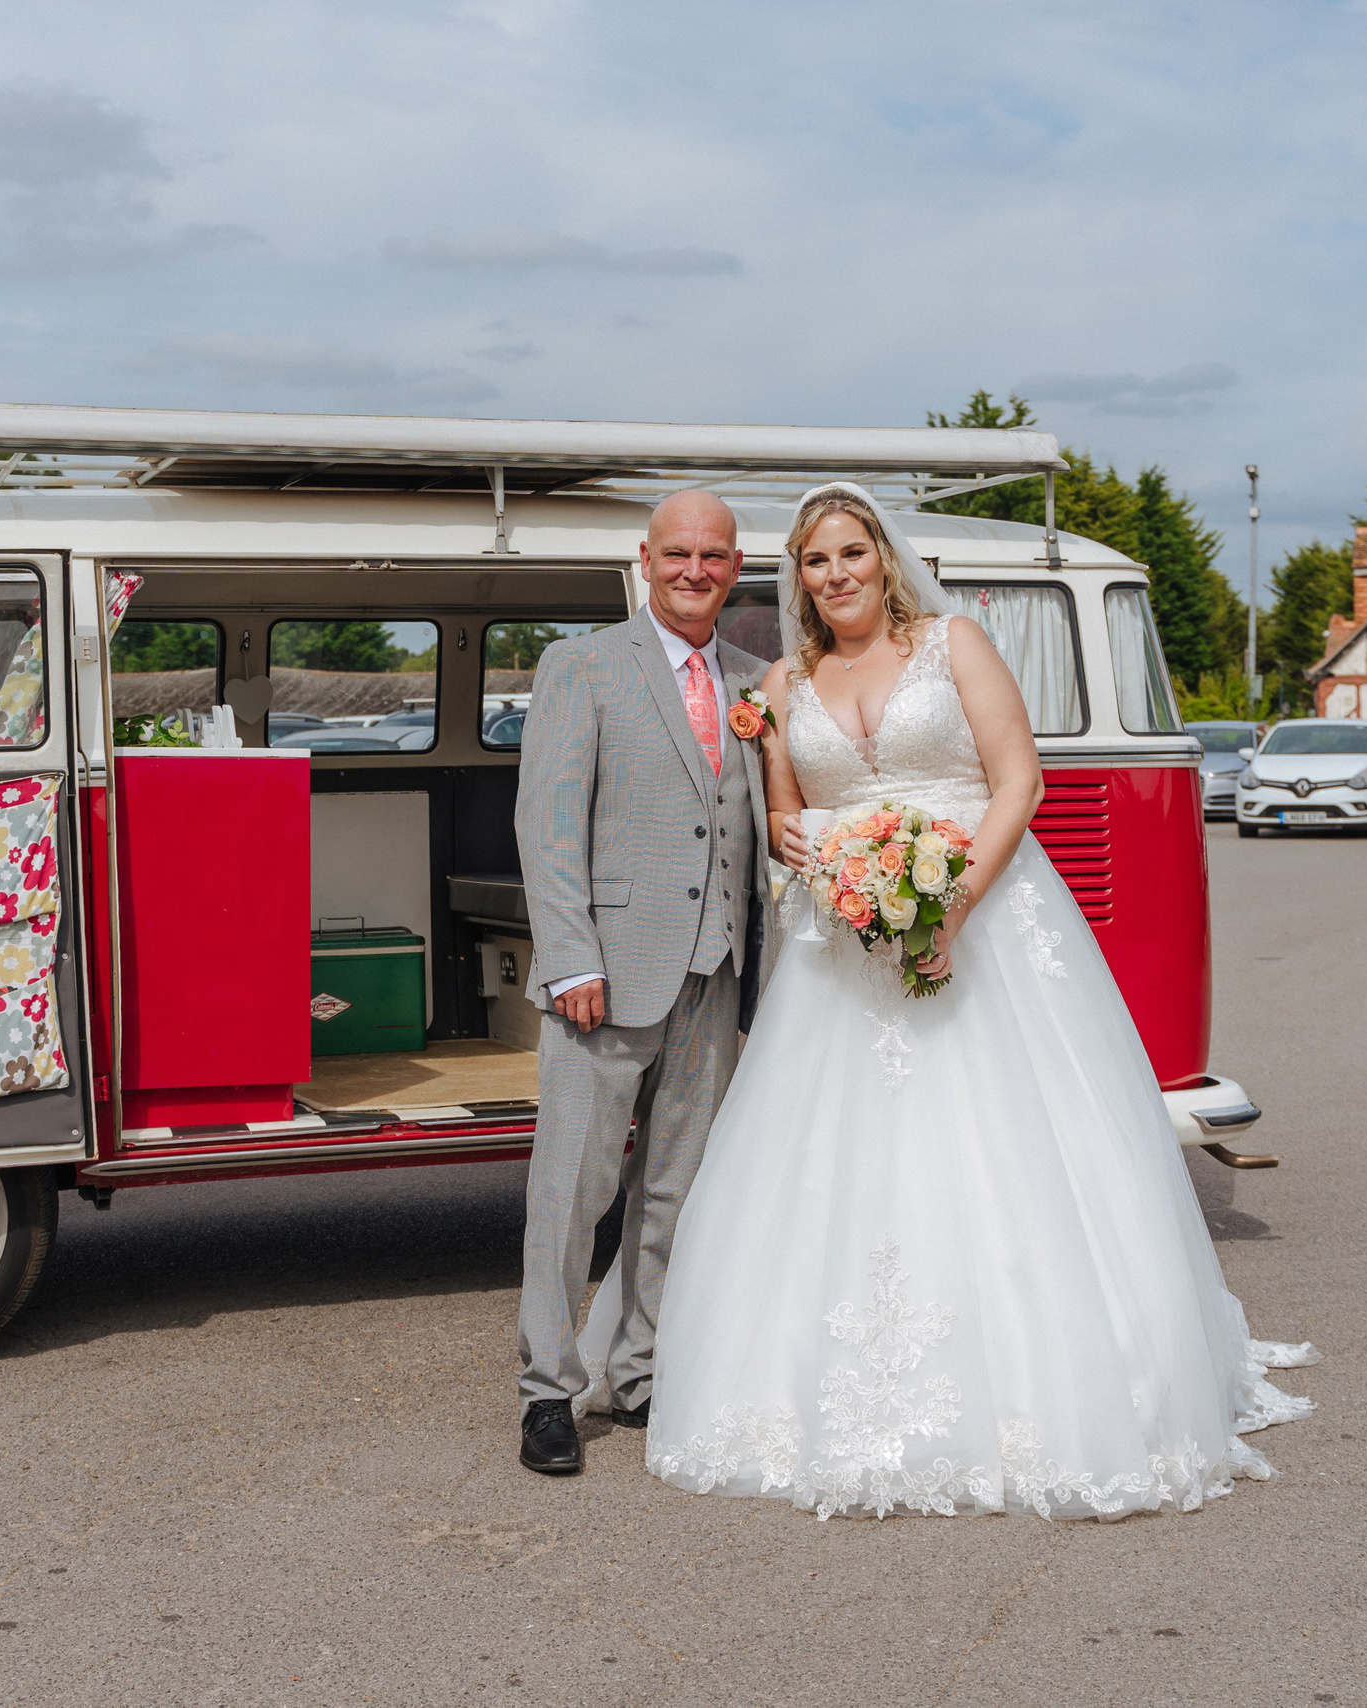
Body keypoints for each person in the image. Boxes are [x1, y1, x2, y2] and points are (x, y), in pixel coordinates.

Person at [642, 482, 1317, 1517]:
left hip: (982, 920)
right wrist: (809, 849)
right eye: (814, 563)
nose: (835, 576)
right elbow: (788, 810)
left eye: (850, 554)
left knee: (1007, 1145)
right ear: (799, 580)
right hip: (848, 951)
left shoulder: (952, 643)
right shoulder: (785, 680)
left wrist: (949, 904)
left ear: (883, 556)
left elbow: (1019, 783)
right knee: (838, 1163)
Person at [511, 490, 773, 1475]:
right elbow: (548, 822)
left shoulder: (755, 679)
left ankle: (638, 1372)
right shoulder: (580, 665)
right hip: (606, 973)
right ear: (644, 558)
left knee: (676, 1190)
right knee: (570, 1190)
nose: (694, 570)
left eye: (711, 555)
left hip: (717, 971)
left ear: (734, 565)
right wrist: (570, 953)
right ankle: (547, 1389)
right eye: (677, 553)